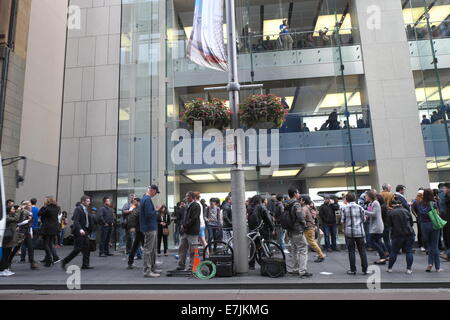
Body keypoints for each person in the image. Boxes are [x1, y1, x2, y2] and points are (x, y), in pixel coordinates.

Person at [60, 196, 94, 270]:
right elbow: (76, 221)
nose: (89, 202)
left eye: (89, 201)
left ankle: (85, 265)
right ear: (83, 201)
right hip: (79, 231)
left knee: (87, 248)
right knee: (78, 249)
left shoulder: (86, 209)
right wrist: (80, 229)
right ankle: (64, 261)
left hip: (85, 230)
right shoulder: (78, 209)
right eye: (87, 201)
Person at [285, 188, 311, 278]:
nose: (299, 194)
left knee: (294, 250)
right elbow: (300, 216)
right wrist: (304, 224)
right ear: (295, 194)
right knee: (303, 249)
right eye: (298, 192)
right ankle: (303, 271)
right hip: (297, 229)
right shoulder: (296, 204)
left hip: (290, 230)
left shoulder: (287, 203)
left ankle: (295, 269)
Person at [341, 192, 369, 275]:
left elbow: (343, 221)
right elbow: (364, 220)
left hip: (349, 232)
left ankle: (353, 270)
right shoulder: (360, 208)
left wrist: (343, 228)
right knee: (362, 251)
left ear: (347, 199)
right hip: (360, 231)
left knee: (351, 251)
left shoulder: (344, 208)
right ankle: (365, 269)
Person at [416, 189, 443, 272]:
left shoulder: (419, 203)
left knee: (429, 245)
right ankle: (437, 267)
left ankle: (430, 264)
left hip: (423, 225)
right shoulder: (433, 203)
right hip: (433, 225)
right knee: (435, 246)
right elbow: (437, 214)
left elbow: (419, 214)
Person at [387, 198, 416, 274]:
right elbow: (411, 223)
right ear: (401, 204)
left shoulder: (391, 212)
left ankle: (390, 268)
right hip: (409, 233)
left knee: (394, 252)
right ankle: (409, 269)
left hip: (397, 235)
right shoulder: (406, 211)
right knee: (409, 251)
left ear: (393, 205)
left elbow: (389, 225)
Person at [8, 201, 39, 270]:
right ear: (26, 206)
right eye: (29, 205)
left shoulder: (30, 213)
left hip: (26, 232)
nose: (31, 206)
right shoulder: (23, 212)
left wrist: (30, 232)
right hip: (20, 232)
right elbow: (18, 222)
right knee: (16, 248)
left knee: (31, 247)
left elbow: (30, 224)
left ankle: (32, 263)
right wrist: (27, 221)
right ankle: (9, 262)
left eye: (30, 205)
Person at [247, 195, 275, 270]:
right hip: (262, 229)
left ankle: (251, 265)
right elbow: (268, 219)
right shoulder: (261, 206)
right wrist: (272, 228)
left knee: (253, 246)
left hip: (252, 230)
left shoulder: (250, 207)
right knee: (263, 245)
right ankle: (265, 264)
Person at [140, 185, 162, 277]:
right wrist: (156, 210)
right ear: (152, 190)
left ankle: (151, 268)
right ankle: (147, 271)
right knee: (149, 250)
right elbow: (149, 214)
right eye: (156, 192)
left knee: (152, 249)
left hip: (149, 227)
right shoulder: (147, 199)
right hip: (149, 228)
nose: (155, 194)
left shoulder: (144, 199)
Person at [177, 191, 200, 271]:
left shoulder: (196, 206)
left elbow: (194, 219)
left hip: (192, 231)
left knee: (193, 249)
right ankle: (181, 265)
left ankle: (192, 266)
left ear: (191, 197)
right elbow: (183, 218)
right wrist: (182, 225)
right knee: (182, 248)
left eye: (187, 196)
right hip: (185, 231)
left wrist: (185, 225)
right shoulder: (186, 206)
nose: (186, 198)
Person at [365, 191, 388, 264]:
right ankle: (384, 256)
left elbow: (374, 214)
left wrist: (363, 211)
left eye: (366, 196)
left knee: (372, 241)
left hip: (377, 226)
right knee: (378, 241)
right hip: (375, 225)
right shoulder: (371, 203)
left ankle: (383, 256)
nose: (365, 197)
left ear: (370, 196)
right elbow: (371, 214)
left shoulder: (375, 203)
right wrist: (366, 215)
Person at [301, 195, 325, 263]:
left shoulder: (305, 208)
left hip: (308, 227)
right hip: (311, 227)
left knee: (312, 242)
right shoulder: (310, 208)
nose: (300, 201)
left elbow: (302, 217)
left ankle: (321, 255)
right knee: (310, 242)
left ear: (303, 201)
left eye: (301, 199)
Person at [38, 197, 61, 267]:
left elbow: (39, 213)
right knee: (50, 243)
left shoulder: (47, 208)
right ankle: (53, 258)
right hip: (54, 227)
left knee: (45, 244)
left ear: (48, 201)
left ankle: (49, 260)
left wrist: (43, 207)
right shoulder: (57, 208)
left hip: (47, 228)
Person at [0, 207, 20, 276]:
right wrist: (18, 211)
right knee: (5, 255)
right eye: (12, 209)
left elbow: (18, 219)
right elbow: (16, 219)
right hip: (7, 238)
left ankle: (5, 269)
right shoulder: (7, 217)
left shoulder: (10, 216)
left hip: (10, 238)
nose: (14, 210)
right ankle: (2, 270)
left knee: (7, 255)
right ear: (8, 210)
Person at [127, 197, 144, 269]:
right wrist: (132, 227)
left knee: (135, 245)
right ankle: (150, 262)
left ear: (138, 201)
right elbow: (132, 217)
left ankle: (130, 262)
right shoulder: (137, 209)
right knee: (146, 246)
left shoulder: (137, 209)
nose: (133, 202)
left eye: (134, 201)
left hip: (138, 229)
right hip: (140, 230)